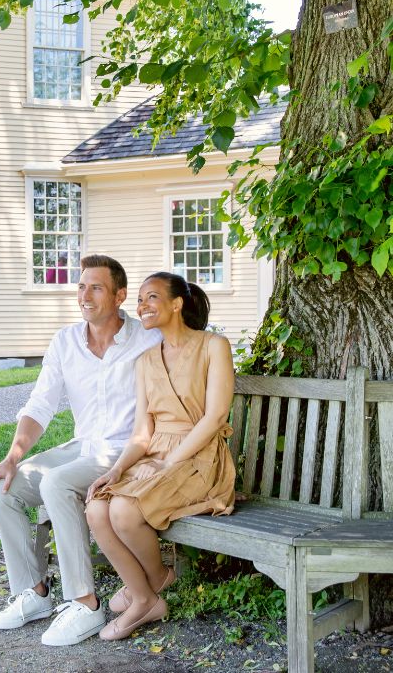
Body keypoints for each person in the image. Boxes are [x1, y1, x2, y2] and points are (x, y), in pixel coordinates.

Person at [0, 255, 162, 646]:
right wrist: (12, 457)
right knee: (1, 488)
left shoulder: (148, 338)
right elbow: (40, 404)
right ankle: (35, 593)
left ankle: (86, 603)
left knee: (58, 484)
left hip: (126, 451)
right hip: (84, 446)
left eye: (96, 287)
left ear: (120, 296)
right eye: (81, 286)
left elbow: (191, 345)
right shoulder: (65, 341)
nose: (85, 295)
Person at [85, 272, 236, 641]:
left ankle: (144, 594)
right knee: (96, 504)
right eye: (139, 300)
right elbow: (142, 433)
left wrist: (169, 463)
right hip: (155, 454)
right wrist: (118, 469)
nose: (142, 307)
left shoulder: (213, 346)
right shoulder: (146, 360)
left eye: (151, 297)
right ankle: (148, 590)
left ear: (176, 303)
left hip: (199, 456)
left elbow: (215, 417)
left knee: (123, 510)